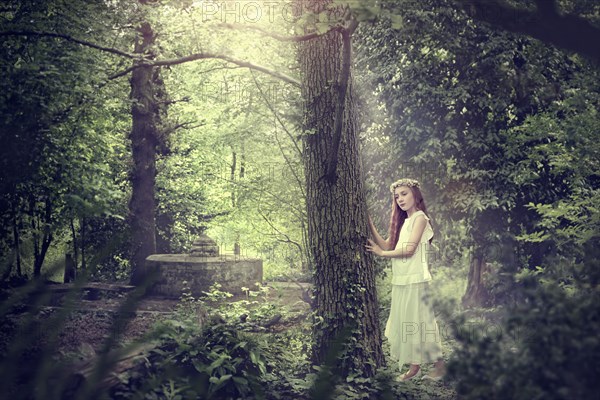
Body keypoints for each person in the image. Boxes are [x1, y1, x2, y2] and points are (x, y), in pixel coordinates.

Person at [365, 178, 445, 381]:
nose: (400, 199)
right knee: (409, 323)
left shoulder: (420, 218)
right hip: (402, 280)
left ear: (415, 194)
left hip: (416, 280)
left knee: (423, 322)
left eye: (404, 194)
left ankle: (439, 366)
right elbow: (387, 246)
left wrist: (381, 254)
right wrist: (369, 224)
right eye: (397, 196)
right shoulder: (405, 222)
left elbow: (408, 250)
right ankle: (414, 367)